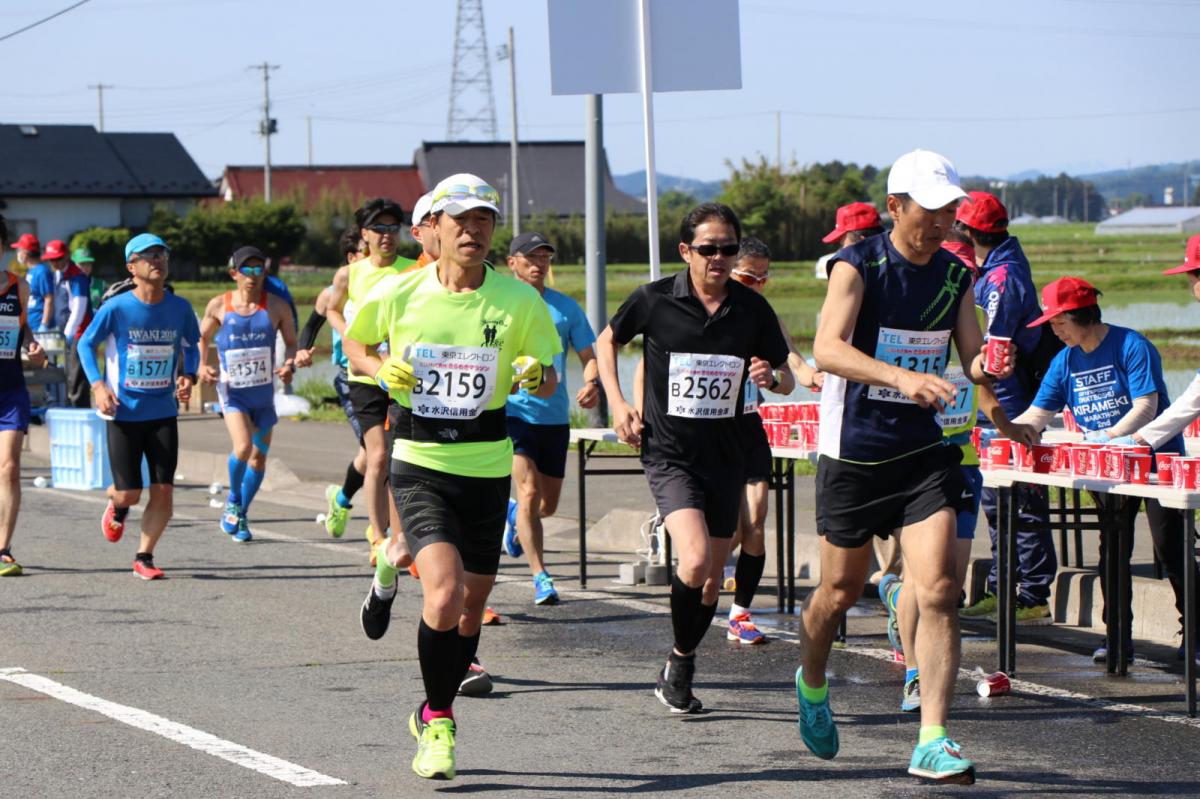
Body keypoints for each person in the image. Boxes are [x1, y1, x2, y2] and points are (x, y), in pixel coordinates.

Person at [799, 149, 1009, 785]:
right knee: (838, 594)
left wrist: (990, 367)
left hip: (922, 453)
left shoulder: (955, 275)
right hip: (855, 453)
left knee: (941, 588)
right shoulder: (857, 265)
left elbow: (970, 358)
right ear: (895, 206)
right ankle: (812, 683)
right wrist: (902, 377)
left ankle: (933, 739)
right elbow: (826, 349)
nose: (943, 221)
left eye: (950, 210)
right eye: (930, 209)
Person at [347, 173, 560, 780]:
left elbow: (550, 376)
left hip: (487, 465)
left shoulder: (519, 300)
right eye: (460, 221)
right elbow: (357, 345)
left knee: (471, 608)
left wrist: (533, 371)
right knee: (443, 593)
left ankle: (427, 698)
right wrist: (380, 367)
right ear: (434, 228)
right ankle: (439, 719)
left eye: (483, 221)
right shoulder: (400, 291)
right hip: (420, 461)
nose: (472, 231)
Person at [596, 202, 791, 714]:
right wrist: (618, 403)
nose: (719, 258)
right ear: (686, 251)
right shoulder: (656, 299)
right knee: (698, 558)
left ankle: (679, 660)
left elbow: (787, 375)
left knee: (708, 582)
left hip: (726, 456)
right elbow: (606, 341)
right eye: (708, 249)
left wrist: (772, 377)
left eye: (728, 248)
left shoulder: (752, 309)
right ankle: (682, 665)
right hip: (670, 454)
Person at [878, 235, 1037, 712]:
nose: (958, 285)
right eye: (954, 275)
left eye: (966, 276)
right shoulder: (910, 324)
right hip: (913, 463)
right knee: (921, 577)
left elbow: (981, 387)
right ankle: (914, 672)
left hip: (961, 466)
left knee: (948, 583)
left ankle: (901, 612)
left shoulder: (969, 332)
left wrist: (1009, 426)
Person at [1011, 276, 1199, 665]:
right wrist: (1008, 431)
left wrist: (1110, 437)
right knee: (1112, 550)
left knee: (1171, 548)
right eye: (1051, 324)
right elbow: (1038, 413)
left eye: (1059, 322)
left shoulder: (1131, 345)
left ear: (1082, 315)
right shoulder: (1064, 361)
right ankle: (1116, 638)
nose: (1055, 331)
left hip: (1156, 464)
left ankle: (1195, 636)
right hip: (1106, 467)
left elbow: (1147, 406)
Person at [956, 191, 1057, 625]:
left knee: (1023, 502)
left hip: (1010, 402)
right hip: (991, 399)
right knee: (997, 501)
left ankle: (1032, 595)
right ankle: (1001, 588)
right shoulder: (990, 268)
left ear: (968, 230)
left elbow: (993, 349)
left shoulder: (1002, 277)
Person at [78, 233, 200, 580]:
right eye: (149, 256)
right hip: (123, 411)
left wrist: (188, 375)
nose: (157, 260)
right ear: (132, 267)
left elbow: (192, 345)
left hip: (162, 412)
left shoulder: (180, 308)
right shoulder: (116, 308)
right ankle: (117, 505)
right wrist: (98, 385)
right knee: (130, 493)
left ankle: (144, 556)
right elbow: (85, 344)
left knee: (164, 490)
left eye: (162, 255)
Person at [724, 236, 821, 644]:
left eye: (764, 280)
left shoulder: (764, 314)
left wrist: (801, 377)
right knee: (724, 533)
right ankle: (699, 584)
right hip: (707, 434)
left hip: (748, 426)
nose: (758, 287)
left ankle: (740, 614)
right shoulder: (700, 308)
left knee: (756, 520)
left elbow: (790, 368)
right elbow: (650, 365)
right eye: (750, 278)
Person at [501, 230, 601, 605]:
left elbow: (589, 356)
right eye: (531, 258)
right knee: (528, 492)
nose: (539, 264)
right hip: (513, 412)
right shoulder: (500, 304)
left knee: (548, 506)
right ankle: (541, 576)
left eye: (545, 257)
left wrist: (592, 383)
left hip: (554, 416)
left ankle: (515, 517)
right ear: (512, 263)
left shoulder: (565, 308)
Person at [326, 198, 417, 559]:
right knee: (377, 455)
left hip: (401, 376)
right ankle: (377, 538)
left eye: (393, 228)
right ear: (364, 234)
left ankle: (397, 534)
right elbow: (331, 309)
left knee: (396, 458)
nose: (387, 235)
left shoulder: (415, 270)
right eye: (379, 228)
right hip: (364, 375)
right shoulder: (350, 273)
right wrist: (351, 335)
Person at [198, 246, 298, 543]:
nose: (253, 276)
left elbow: (291, 342)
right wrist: (201, 365)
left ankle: (240, 511)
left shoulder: (277, 306)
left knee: (258, 459)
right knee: (242, 447)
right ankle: (233, 499)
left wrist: (289, 365)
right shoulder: (220, 305)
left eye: (258, 270)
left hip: (263, 393)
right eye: (247, 270)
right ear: (234, 274)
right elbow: (201, 338)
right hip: (233, 392)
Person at [296, 227, 371, 540]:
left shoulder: (390, 284)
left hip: (383, 375)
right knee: (376, 450)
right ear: (351, 258)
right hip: (350, 378)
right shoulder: (332, 293)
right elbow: (310, 327)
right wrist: (302, 350)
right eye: (367, 251)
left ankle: (341, 498)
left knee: (375, 453)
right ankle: (381, 531)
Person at [0, 214, 49, 576]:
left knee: (10, 467)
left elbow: (23, 329)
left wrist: (33, 346)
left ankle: (3, 549)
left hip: (10, 389)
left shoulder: (20, 287)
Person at [44, 240, 93, 408]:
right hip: (65, 332)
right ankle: (72, 407)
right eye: (51, 259)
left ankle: (80, 410)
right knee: (68, 374)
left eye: (57, 258)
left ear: (66, 256)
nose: (54, 263)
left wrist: (69, 333)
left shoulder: (77, 277)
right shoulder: (58, 275)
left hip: (79, 333)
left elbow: (79, 307)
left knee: (77, 375)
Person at [814, 202, 884, 280]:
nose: (840, 251)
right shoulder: (892, 262)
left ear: (863, 242)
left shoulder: (846, 268)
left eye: (843, 244)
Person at [73, 247, 105, 312]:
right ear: (74, 265)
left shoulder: (101, 284)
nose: (86, 267)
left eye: (88, 264)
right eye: (82, 264)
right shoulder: (67, 284)